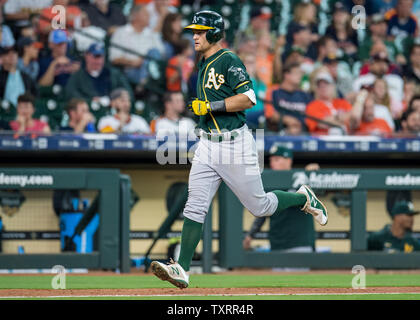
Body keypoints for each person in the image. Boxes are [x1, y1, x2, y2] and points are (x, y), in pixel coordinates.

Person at [150, 10, 328, 290]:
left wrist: (209, 107)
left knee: (261, 206)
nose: (195, 35)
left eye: (200, 31)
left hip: (236, 144)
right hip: (208, 144)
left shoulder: (228, 58)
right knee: (194, 206)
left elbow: (249, 98)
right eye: (194, 31)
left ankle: (303, 198)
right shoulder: (202, 62)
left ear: (215, 33)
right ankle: (182, 268)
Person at [243, 145, 317, 255]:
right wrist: (251, 235)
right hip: (277, 243)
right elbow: (262, 213)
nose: (273, 163)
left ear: (288, 161)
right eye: (271, 160)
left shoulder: (302, 178)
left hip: (300, 243)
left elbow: (317, 195)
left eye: (277, 159)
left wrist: (313, 174)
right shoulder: (268, 183)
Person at [108, 5, 164, 85]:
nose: (149, 16)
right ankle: (145, 82)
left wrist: (145, 61)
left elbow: (161, 53)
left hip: (149, 68)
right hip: (131, 69)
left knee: (153, 53)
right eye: (145, 14)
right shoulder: (121, 32)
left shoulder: (150, 33)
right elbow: (113, 58)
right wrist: (133, 62)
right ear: (135, 16)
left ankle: (144, 82)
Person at [64, 43, 133, 102]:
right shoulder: (78, 76)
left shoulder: (114, 74)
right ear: (87, 56)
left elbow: (128, 92)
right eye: (95, 57)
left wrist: (114, 100)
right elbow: (71, 94)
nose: (98, 61)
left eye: (101, 57)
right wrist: (89, 101)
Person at [265, 63, 312, 133]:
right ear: (286, 75)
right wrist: (288, 120)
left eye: (301, 74)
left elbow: (312, 116)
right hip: (279, 133)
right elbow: (269, 114)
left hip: (303, 134)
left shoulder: (305, 95)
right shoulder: (273, 91)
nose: (300, 76)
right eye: (297, 73)